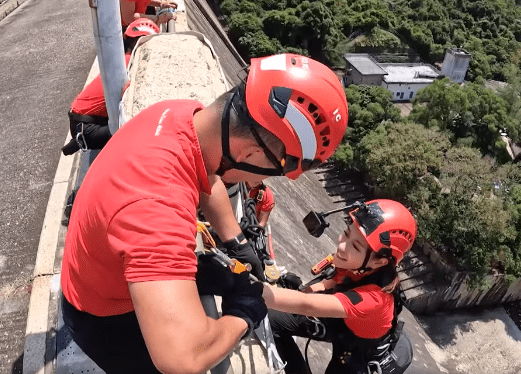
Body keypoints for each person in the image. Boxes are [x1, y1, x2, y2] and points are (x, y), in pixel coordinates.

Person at [60, 53, 348, 374]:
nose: (259, 182)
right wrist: (244, 314)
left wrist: (235, 241)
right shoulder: (159, 206)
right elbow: (183, 359)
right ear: (251, 153)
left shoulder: (181, 114)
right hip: (106, 319)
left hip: (97, 272)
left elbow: (207, 176)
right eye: (268, 173)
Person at [261, 199, 417, 374]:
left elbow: (307, 304)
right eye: (346, 233)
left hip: (358, 352)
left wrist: (255, 289)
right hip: (344, 324)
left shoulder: (374, 299)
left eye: (355, 246)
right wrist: (310, 288)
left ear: (379, 261)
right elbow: (333, 280)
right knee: (271, 319)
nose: (342, 245)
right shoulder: (358, 265)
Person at [62, 18, 160, 157]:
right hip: (87, 128)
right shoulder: (131, 65)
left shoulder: (123, 60)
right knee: (140, 129)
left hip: (83, 123)